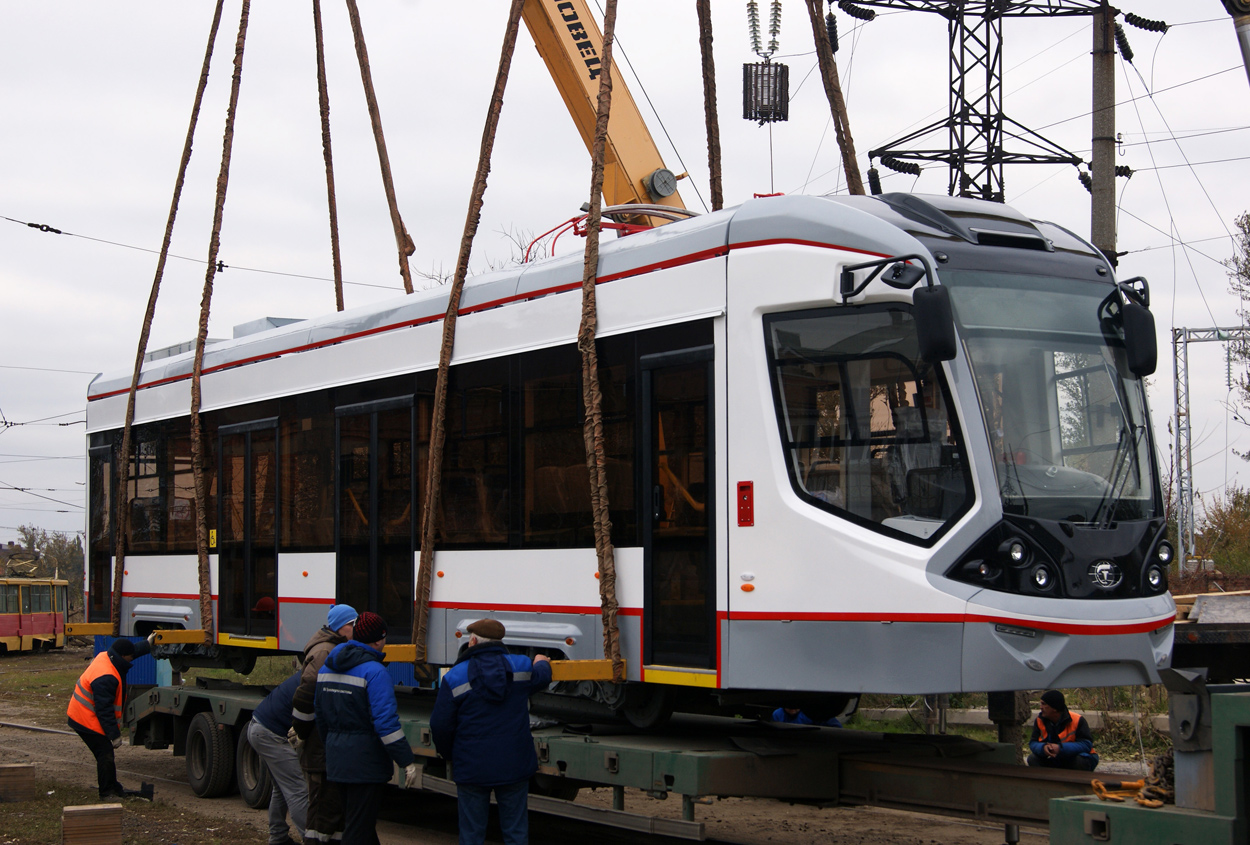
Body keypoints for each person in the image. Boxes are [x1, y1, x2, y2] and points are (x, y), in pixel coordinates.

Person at [430, 619, 552, 845]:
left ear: (473, 641)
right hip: (514, 764)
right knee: (516, 833)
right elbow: (541, 677)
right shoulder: (521, 666)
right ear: (499, 641)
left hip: (472, 766)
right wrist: (542, 662)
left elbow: (440, 726)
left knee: (472, 835)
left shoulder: (455, 676)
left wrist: (451, 755)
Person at [314, 611, 418, 845]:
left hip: (337, 760)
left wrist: (332, 745)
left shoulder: (327, 667)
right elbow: (385, 724)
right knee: (358, 830)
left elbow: (320, 716)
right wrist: (406, 760)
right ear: (379, 640)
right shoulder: (375, 672)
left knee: (358, 823)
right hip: (366, 763)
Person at [291, 603, 356, 844]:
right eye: (351, 624)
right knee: (320, 813)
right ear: (340, 627)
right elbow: (306, 694)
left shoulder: (334, 648)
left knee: (333, 812)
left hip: (324, 746)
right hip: (318, 747)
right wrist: (302, 730)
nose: (355, 628)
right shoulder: (324, 652)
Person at [66, 635, 153, 799]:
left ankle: (113, 787)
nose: (131, 660)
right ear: (123, 657)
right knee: (105, 753)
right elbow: (104, 710)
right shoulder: (106, 676)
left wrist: (147, 645)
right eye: (130, 658)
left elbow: (131, 651)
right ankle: (106, 792)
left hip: (85, 712)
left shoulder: (107, 656)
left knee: (106, 753)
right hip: (84, 717)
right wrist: (114, 736)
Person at [247, 671, 309, 845]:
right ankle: (311, 839)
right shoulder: (314, 681)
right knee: (297, 790)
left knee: (281, 788)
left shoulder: (307, 674)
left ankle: (278, 837)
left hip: (259, 728)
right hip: (270, 735)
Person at [1027, 689, 1099, 771]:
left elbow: (1086, 744)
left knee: (1080, 762)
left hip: (1076, 757)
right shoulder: (1040, 720)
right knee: (1032, 759)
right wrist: (1043, 748)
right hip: (1055, 758)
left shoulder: (1077, 720)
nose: (1041, 707)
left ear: (1054, 708)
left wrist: (1060, 748)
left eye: (1044, 704)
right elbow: (1033, 743)